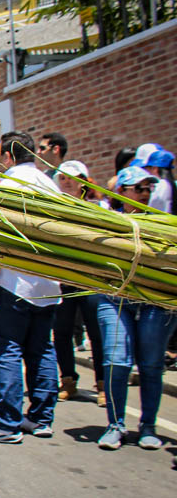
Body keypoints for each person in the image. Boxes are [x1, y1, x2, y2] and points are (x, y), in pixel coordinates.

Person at [0, 132, 62, 443]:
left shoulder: (7, 185)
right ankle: (40, 418)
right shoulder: (51, 184)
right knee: (42, 350)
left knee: (6, 350)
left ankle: (5, 423)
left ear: (7, 156)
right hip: (47, 285)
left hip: (11, 283)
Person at [95, 167, 176, 451]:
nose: (145, 193)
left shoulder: (165, 224)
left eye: (148, 189)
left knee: (151, 365)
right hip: (114, 299)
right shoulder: (106, 221)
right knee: (116, 361)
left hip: (155, 302)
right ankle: (115, 424)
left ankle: (148, 426)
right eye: (138, 188)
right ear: (121, 192)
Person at [50, 161, 106, 404]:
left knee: (96, 331)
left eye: (72, 178)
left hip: (91, 279)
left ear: (84, 180)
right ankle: (68, 380)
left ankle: (103, 384)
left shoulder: (99, 207)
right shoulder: (52, 206)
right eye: (62, 178)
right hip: (64, 279)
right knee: (61, 331)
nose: (67, 182)